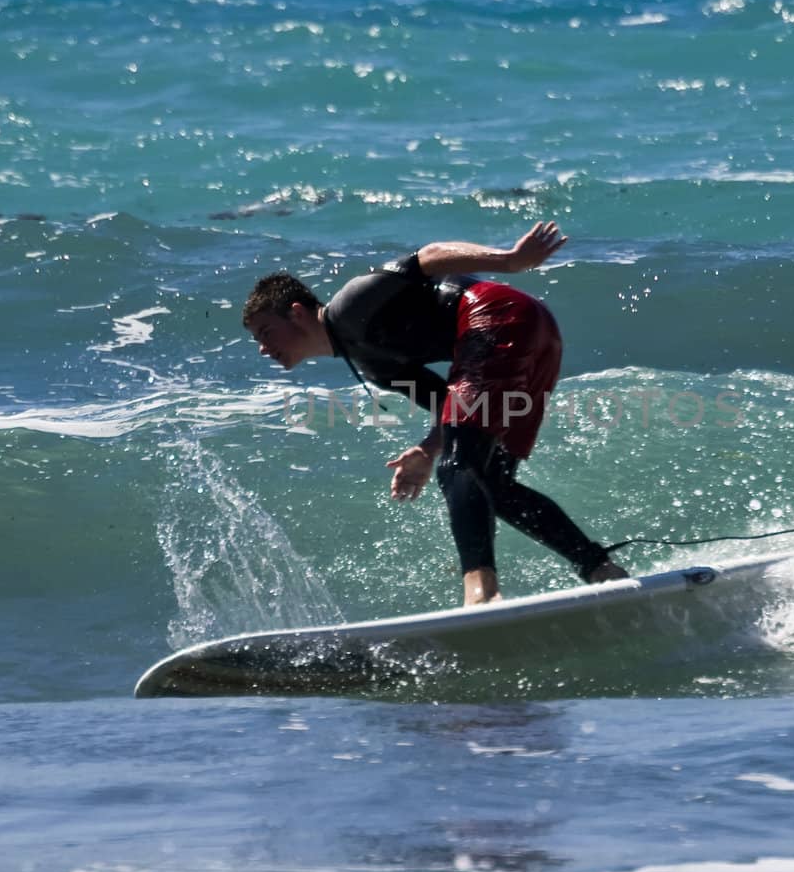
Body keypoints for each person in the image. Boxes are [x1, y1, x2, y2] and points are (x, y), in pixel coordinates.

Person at [242, 221, 628, 606]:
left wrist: (509, 260)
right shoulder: (375, 366)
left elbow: (428, 257)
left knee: (458, 466)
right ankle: (601, 570)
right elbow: (454, 412)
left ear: (296, 313)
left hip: (497, 314)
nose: (263, 348)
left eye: (265, 332)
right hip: (536, 334)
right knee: (491, 482)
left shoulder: (349, 306)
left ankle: (482, 593)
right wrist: (428, 450)